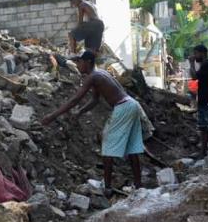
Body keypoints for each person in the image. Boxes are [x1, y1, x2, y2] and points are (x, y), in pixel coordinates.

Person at [41, 51, 146, 194]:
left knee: (107, 144)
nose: (78, 65)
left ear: (88, 62)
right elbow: (95, 100)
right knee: (132, 147)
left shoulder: (93, 77)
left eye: (80, 62)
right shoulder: (100, 74)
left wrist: (52, 116)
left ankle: (107, 187)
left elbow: (75, 99)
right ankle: (138, 185)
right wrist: (79, 112)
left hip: (122, 107)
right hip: (132, 105)